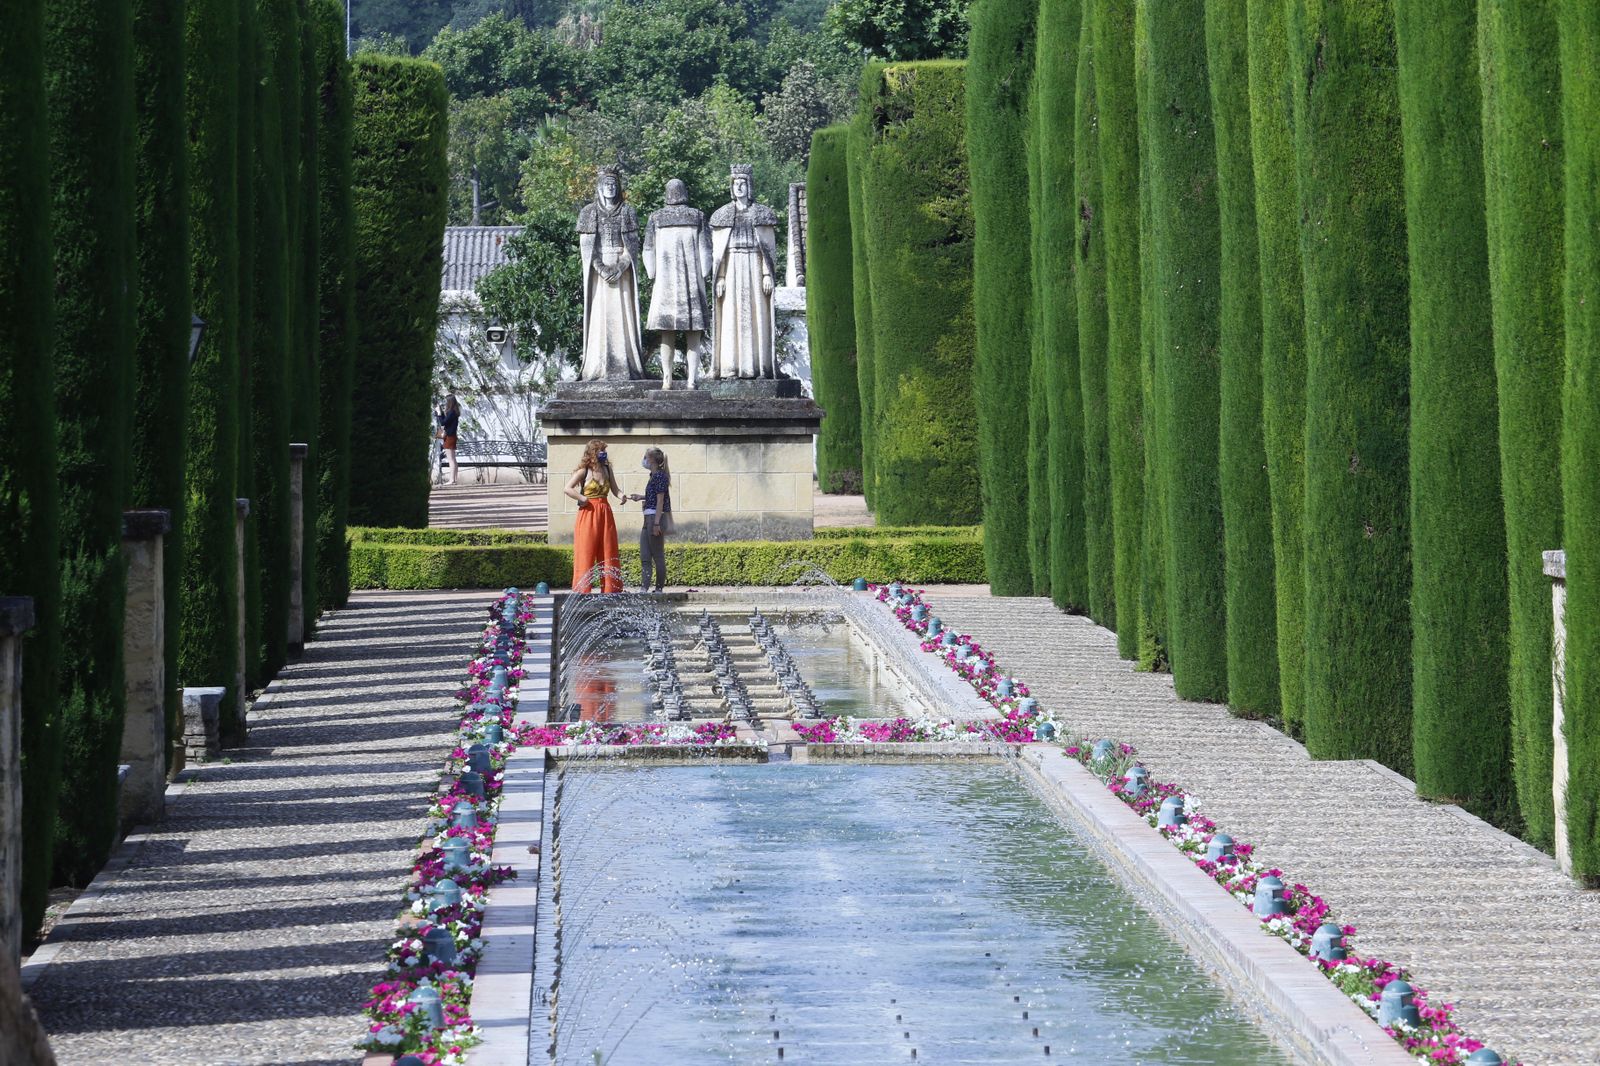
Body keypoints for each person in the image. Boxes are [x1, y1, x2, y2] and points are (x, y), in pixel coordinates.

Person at [565, 439, 626, 593]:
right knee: (586, 551)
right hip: (588, 513)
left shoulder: (607, 469)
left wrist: (622, 496)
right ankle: (582, 591)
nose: (604, 453)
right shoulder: (584, 471)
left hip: (605, 512)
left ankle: (611, 590)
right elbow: (567, 488)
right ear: (593, 452)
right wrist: (582, 498)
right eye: (601, 450)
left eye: (604, 450)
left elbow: (615, 489)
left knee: (608, 550)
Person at [627, 447, 672, 592]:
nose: (644, 459)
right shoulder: (653, 475)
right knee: (645, 556)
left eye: (645, 456)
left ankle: (658, 589)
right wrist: (641, 497)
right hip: (647, 518)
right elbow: (654, 497)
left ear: (651, 459)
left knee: (657, 556)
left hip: (654, 518)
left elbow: (660, 501)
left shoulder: (659, 476)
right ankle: (644, 589)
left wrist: (657, 523)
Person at [435, 395, 461, 485]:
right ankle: (454, 479)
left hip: (449, 437)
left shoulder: (451, 412)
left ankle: (452, 480)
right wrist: (441, 413)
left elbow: (443, 422)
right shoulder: (454, 412)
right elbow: (445, 421)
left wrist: (439, 413)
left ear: (449, 402)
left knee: (451, 459)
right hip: (452, 436)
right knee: (453, 459)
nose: (445, 403)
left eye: (446, 402)